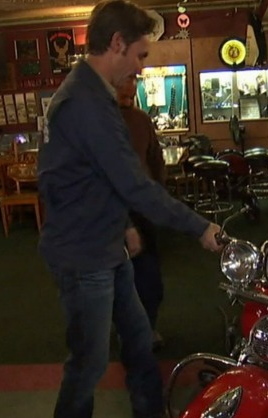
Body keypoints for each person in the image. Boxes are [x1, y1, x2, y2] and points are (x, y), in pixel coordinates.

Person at [37, 1, 222, 418]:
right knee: (89, 363)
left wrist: (122, 225)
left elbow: (87, 178)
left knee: (139, 337)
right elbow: (133, 184)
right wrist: (200, 227)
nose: (141, 68)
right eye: (140, 56)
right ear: (116, 43)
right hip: (85, 255)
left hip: (105, 244)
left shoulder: (90, 94)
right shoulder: (87, 102)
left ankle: (148, 409)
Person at [116, 74, 167, 350]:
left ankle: (147, 324)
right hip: (115, 211)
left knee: (150, 277)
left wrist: (159, 196)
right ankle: (129, 329)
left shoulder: (141, 119)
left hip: (144, 207)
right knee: (123, 276)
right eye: (127, 78)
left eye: (134, 80)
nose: (131, 84)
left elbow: (155, 159)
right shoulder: (103, 120)